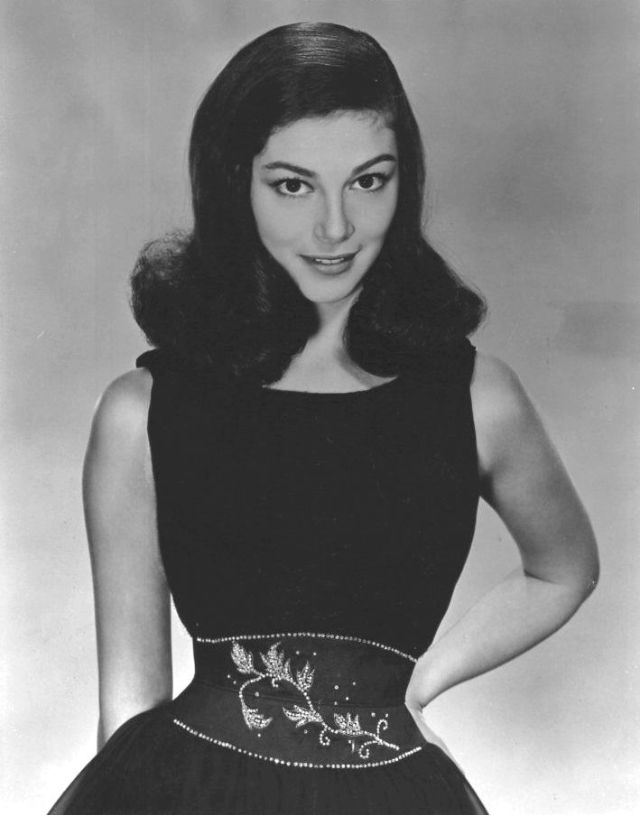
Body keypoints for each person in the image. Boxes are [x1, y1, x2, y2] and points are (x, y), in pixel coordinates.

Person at [48, 21, 599, 815]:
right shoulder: (142, 411)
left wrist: (420, 684)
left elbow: (564, 567)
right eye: (293, 185)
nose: (336, 227)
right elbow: (129, 712)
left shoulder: (479, 398)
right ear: (235, 185)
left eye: (369, 180)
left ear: (405, 181)